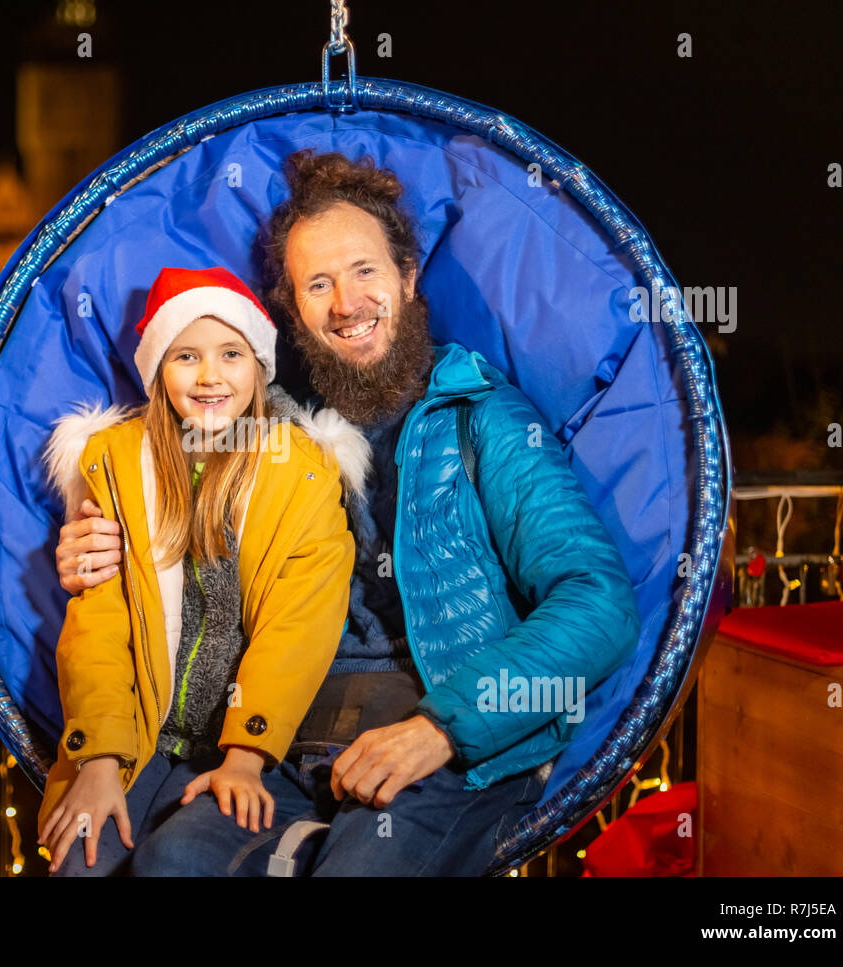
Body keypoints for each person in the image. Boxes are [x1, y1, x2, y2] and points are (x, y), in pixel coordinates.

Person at [54, 150, 643, 876]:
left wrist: (440, 728)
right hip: (279, 742)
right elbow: (156, 513)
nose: (346, 303)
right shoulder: (266, 433)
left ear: (408, 276)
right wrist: (92, 542)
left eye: (365, 272)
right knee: (170, 860)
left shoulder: (484, 420)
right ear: (292, 310)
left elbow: (599, 601)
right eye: (318, 283)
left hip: (442, 747)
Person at [36, 264, 368, 874]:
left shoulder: (304, 472)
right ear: (159, 369)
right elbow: (99, 623)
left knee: (177, 861)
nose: (211, 376)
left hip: (253, 743)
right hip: (140, 735)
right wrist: (100, 759)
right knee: (81, 859)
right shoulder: (115, 464)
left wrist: (246, 753)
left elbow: (299, 628)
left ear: (259, 368)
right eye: (186, 355)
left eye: (231, 354)